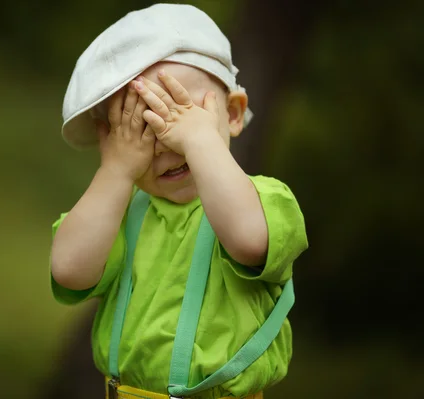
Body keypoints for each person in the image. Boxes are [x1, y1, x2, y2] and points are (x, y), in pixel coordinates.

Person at [50, 4, 308, 399]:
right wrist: (116, 172)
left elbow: (250, 241)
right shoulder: (120, 213)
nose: (169, 146)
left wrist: (200, 141)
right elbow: (69, 271)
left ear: (234, 114)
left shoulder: (265, 200)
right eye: (143, 131)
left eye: (183, 119)